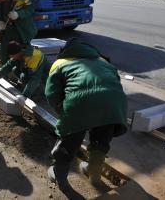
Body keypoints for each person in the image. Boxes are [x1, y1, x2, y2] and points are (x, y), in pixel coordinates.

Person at [44, 38, 128, 187]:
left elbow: (51, 93)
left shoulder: (59, 63)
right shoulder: (103, 61)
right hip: (113, 105)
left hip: (79, 104)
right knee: (101, 141)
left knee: (68, 143)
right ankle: (94, 174)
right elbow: (115, 84)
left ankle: (59, 175)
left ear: (65, 51)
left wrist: (64, 112)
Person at [0, 0, 37, 65]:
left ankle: (20, 72)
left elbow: (30, 10)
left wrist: (18, 14)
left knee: (19, 53)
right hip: (8, 30)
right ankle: (3, 69)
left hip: (21, 31)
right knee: (3, 51)